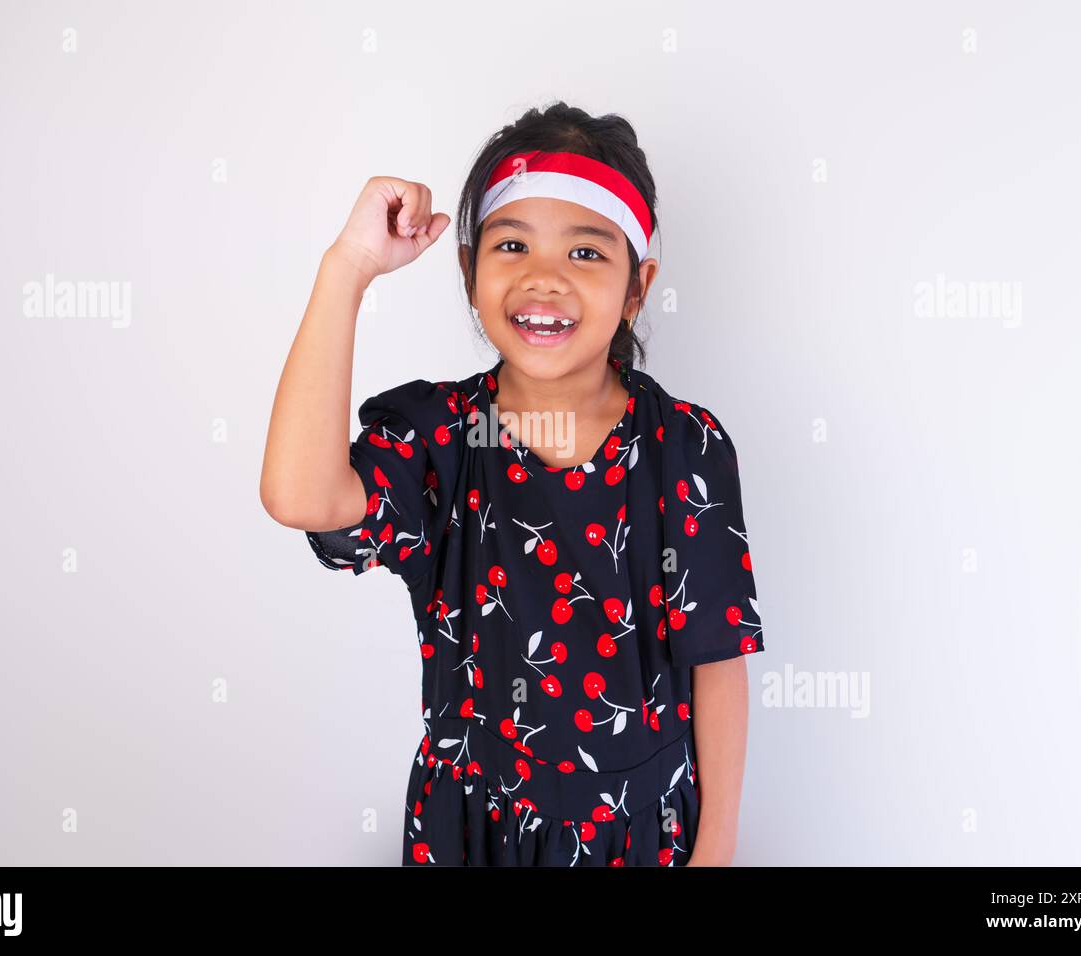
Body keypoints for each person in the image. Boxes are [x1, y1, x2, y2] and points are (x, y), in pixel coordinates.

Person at [261, 102, 764, 866]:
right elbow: (299, 496)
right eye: (512, 244)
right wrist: (348, 270)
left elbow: (717, 660)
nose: (544, 278)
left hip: (638, 835)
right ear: (470, 273)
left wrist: (716, 847)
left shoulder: (685, 449)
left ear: (637, 286)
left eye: (587, 254)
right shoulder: (438, 440)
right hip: (471, 832)